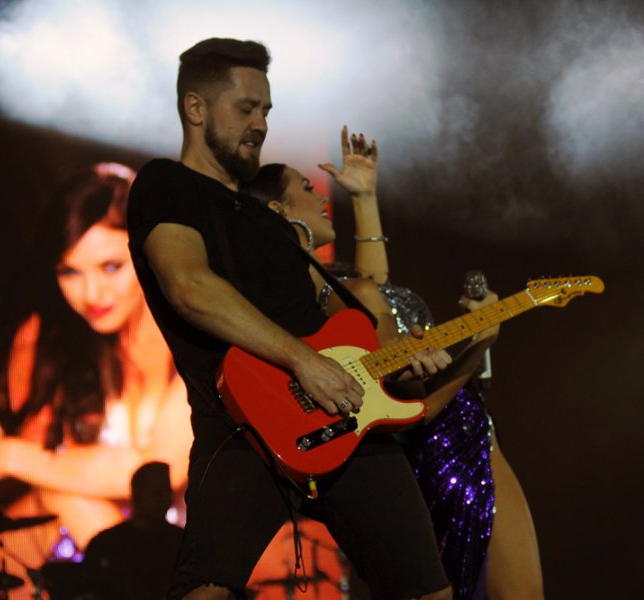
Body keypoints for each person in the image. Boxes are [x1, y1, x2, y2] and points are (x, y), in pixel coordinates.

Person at [125, 38, 453, 600]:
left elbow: (349, 314)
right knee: (207, 592)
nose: (261, 125)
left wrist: (396, 357)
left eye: (267, 111)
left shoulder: (273, 225)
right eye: (246, 108)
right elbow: (189, 287)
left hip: (346, 418)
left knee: (428, 593)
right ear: (195, 108)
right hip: (239, 426)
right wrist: (303, 361)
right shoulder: (166, 185)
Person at [247, 127, 544, 599]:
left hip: (411, 456)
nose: (321, 197)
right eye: (305, 188)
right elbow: (414, 401)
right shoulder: (328, 302)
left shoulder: (335, 291)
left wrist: (364, 197)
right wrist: (481, 343)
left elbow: (373, 288)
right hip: (445, 438)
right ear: (278, 212)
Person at [0, 163, 191, 598]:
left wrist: (10, 456)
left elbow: (158, 473)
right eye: (70, 272)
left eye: (111, 267)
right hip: (77, 537)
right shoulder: (51, 341)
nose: (92, 294)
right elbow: (50, 480)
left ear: (149, 253)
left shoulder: (191, 343)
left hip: (176, 553)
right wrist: (14, 460)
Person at [82, 461, 185, 600]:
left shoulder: (182, 543)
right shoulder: (105, 545)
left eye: (167, 492)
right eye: (157, 493)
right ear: (137, 495)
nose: (165, 499)